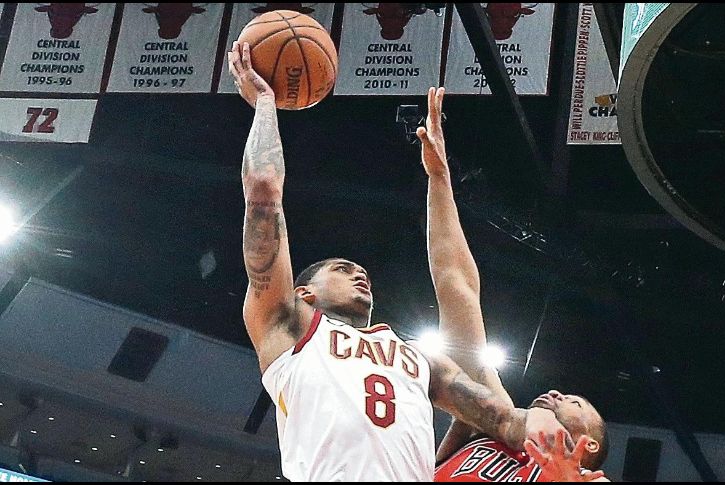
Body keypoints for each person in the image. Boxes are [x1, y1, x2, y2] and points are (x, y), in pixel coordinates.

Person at [227, 42, 570, 482]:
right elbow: (262, 191)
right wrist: (265, 105)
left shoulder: (420, 361)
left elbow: (501, 418)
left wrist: (535, 424)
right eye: (341, 268)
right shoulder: (287, 329)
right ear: (303, 292)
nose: (359, 272)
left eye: (358, 269)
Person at [415, 86, 609, 482]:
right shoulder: (497, 420)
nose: (556, 393)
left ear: (587, 443)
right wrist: (439, 177)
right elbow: (457, 287)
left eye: (574, 402)